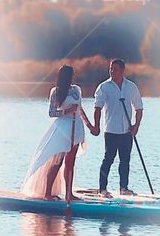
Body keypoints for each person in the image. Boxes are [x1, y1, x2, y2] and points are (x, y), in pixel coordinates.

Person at [21, 65, 94, 203]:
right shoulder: (56, 92)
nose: (74, 77)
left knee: (70, 163)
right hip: (63, 129)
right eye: (71, 75)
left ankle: (69, 193)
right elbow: (52, 112)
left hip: (76, 127)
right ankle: (47, 193)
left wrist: (89, 125)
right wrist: (67, 111)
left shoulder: (77, 89)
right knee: (57, 162)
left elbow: (80, 109)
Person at [91, 59, 143, 197]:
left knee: (125, 160)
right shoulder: (104, 87)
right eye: (111, 69)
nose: (112, 71)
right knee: (108, 159)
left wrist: (136, 126)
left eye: (115, 69)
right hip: (111, 131)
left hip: (127, 131)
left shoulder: (131, 87)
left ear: (122, 70)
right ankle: (102, 189)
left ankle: (124, 188)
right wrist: (96, 125)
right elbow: (97, 108)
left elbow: (139, 108)